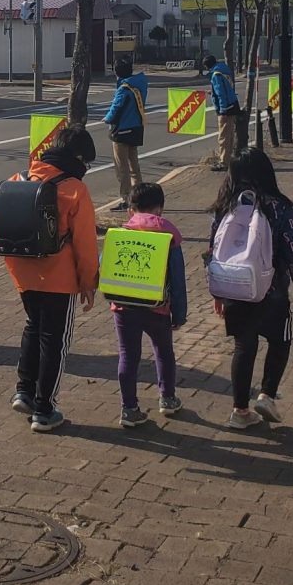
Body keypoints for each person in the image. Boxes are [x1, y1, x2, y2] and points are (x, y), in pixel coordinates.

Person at [0, 126, 99, 432]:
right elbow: (84, 243)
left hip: (22, 270)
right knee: (55, 340)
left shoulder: (20, 180)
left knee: (34, 326)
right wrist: (88, 283)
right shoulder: (74, 189)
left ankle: (24, 391)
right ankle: (45, 409)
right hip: (60, 275)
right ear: (79, 157)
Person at [204, 148, 293, 430]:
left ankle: (240, 411)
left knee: (244, 346)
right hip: (271, 290)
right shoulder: (277, 207)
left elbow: (214, 251)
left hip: (234, 286)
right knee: (280, 341)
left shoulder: (225, 205)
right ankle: (266, 394)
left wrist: (218, 293)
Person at [111, 182, 188, 428]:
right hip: (157, 308)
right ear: (161, 209)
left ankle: (129, 408)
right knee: (163, 352)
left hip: (124, 307)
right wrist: (180, 313)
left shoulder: (122, 232)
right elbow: (177, 278)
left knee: (128, 355)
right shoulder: (167, 235)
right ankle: (167, 398)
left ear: (130, 210)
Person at [102, 57, 147, 208]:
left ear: (116, 72)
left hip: (121, 131)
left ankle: (126, 199)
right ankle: (140, 195)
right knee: (134, 164)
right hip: (136, 128)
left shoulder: (124, 89)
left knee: (122, 168)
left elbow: (116, 108)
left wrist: (107, 119)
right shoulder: (140, 84)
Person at [202, 54, 243, 171]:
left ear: (207, 65)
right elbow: (226, 89)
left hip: (226, 108)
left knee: (223, 136)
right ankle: (228, 160)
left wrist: (223, 110)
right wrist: (212, 92)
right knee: (229, 134)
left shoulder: (215, 75)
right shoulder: (224, 70)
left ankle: (223, 162)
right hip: (233, 104)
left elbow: (221, 94)